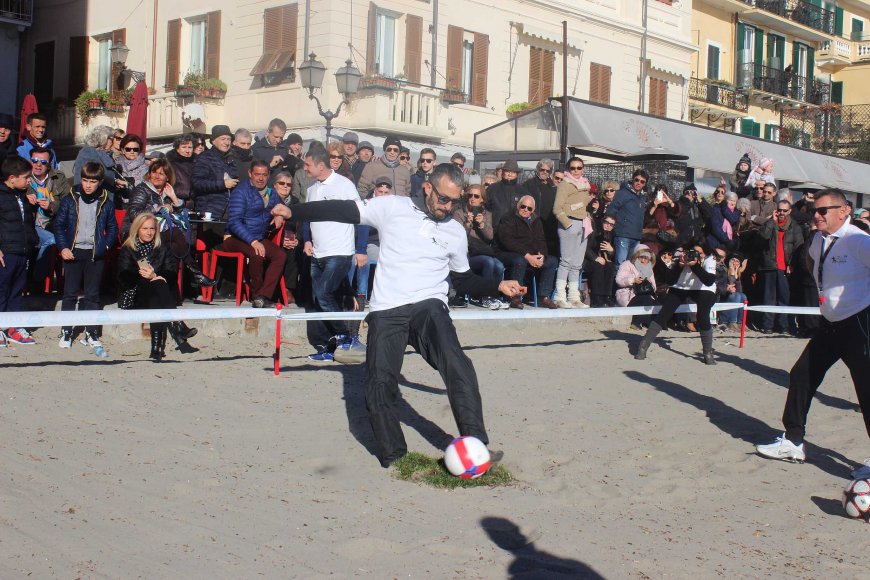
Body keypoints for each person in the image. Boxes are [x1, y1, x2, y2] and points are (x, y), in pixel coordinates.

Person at [271, 162, 524, 468]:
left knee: (458, 365)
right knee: (378, 383)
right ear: (427, 187)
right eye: (443, 199)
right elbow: (344, 211)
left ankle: (476, 445)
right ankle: (397, 458)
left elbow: (463, 278)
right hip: (387, 310)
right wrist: (294, 212)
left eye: (454, 202)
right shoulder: (392, 206)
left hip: (428, 306)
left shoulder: (455, 231)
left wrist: (498, 285)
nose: (447, 207)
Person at [755, 189, 870, 475]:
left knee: (866, 391)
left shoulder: (858, 240)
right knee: (801, 374)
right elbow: (812, 264)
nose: (815, 216)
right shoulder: (818, 239)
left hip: (858, 323)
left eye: (823, 211)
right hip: (830, 324)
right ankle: (793, 441)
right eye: (814, 210)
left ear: (844, 211)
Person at [301, 146, 367, 359]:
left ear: (321, 165)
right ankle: (326, 347)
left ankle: (347, 336)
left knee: (324, 294)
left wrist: (361, 249)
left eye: (308, 164)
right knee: (315, 300)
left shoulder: (344, 185)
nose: (305, 168)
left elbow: (362, 216)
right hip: (316, 254)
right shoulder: (312, 188)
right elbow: (307, 216)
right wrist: (307, 239)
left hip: (339, 252)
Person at [54, 161, 118, 352]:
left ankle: (91, 332)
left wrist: (105, 245)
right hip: (73, 252)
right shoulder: (70, 198)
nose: (88, 185)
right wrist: (63, 247)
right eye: (85, 180)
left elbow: (112, 227)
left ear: (100, 182)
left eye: (92, 181)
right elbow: (59, 225)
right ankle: (66, 331)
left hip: (94, 253)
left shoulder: (106, 200)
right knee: (70, 294)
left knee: (92, 295)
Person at [119, 212, 199, 361]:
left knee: (157, 292)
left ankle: (156, 350)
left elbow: (171, 273)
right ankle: (178, 325)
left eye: (152, 229)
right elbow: (124, 278)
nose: (149, 232)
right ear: (137, 229)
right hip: (135, 293)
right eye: (145, 229)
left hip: (158, 294)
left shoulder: (162, 247)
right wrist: (144, 275)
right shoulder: (128, 248)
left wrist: (155, 276)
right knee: (156, 286)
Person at [634, 243, 719, 365]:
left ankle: (707, 352)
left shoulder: (710, 258)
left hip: (703, 288)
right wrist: (679, 265)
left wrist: (695, 266)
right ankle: (644, 345)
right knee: (664, 313)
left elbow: (709, 281)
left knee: (703, 316)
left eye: (699, 253)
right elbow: (670, 280)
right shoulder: (679, 255)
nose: (695, 255)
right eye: (692, 252)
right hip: (681, 286)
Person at [224, 161, 286, 308]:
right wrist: (252, 241)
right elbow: (234, 222)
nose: (260, 178)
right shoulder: (241, 192)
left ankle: (264, 296)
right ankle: (257, 295)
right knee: (256, 253)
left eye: (264, 175)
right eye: (257, 174)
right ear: (250, 174)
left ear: (269, 175)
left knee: (280, 255)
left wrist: (280, 215)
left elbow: (282, 207)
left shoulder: (271, 193)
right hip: (234, 237)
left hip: (258, 236)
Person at [0, 156, 38, 346]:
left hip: (23, 249)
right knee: (2, 288)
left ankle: (14, 326)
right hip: (6, 250)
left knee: (17, 290)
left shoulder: (22, 195)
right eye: (26, 177)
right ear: (12, 177)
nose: (29, 180)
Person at [497, 195, 559, 309]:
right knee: (520, 260)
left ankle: (543, 297)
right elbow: (507, 241)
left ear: (533, 210)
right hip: (509, 252)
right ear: (518, 206)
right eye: (523, 206)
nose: (526, 210)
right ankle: (515, 297)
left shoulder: (536, 220)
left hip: (531, 254)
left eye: (529, 208)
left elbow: (541, 240)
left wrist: (542, 255)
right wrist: (527, 256)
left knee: (552, 261)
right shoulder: (508, 218)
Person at [756, 199, 805, 334]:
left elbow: (799, 247)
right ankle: (768, 326)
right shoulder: (770, 224)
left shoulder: (794, 227)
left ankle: (783, 326)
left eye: (784, 210)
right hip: (770, 265)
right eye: (779, 210)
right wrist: (772, 220)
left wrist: (793, 264)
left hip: (786, 267)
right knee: (769, 298)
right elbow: (762, 237)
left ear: (789, 211)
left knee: (784, 298)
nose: (781, 213)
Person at [552, 156, 591, 308]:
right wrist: (568, 224)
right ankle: (559, 296)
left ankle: (574, 297)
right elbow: (557, 208)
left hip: (583, 224)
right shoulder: (565, 184)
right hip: (569, 224)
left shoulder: (585, 184)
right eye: (573, 168)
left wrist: (585, 214)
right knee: (566, 261)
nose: (576, 171)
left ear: (583, 169)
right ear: (568, 169)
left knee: (577, 263)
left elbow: (580, 205)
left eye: (579, 168)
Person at [461, 184, 506, 309]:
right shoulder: (460, 213)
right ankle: (485, 297)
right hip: (468, 254)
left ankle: (495, 296)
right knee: (489, 263)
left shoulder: (487, 215)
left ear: (482, 199)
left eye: (476, 196)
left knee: (500, 266)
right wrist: (468, 224)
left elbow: (490, 236)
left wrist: (482, 224)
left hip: (483, 251)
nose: (472, 198)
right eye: (470, 195)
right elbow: (458, 238)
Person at [191, 125, 239, 220]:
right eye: (223, 139)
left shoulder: (231, 158)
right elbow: (197, 183)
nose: (227, 142)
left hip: (228, 212)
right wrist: (222, 184)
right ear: (213, 141)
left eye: (229, 139)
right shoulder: (204, 158)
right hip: (209, 212)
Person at [606, 169, 649, 271]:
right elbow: (613, 208)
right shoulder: (623, 193)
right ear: (633, 179)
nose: (639, 183)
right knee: (620, 264)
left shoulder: (643, 197)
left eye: (642, 181)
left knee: (631, 265)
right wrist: (612, 220)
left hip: (636, 236)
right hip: (623, 234)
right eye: (636, 180)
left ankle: (627, 286)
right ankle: (616, 287)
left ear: (645, 184)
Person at [73, 125, 123, 196]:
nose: (112, 142)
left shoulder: (100, 151)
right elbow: (93, 175)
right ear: (104, 138)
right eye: (111, 139)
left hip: (102, 196)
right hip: (92, 198)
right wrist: (115, 181)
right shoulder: (88, 152)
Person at [523, 158, 559, 257]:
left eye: (548, 170)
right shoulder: (529, 184)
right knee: (536, 251)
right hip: (535, 223)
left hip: (550, 224)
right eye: (542, 170)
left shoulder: (552, 185)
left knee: (550, 254)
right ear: (538, 169)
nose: (545, 172)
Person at [615, 244, 657, 328]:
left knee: (651, 299)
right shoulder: (627, 264)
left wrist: (646, 282)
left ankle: (647, 322)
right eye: (641, 257)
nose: (643, 260)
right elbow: (619, 280)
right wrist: (633, 280)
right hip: (628, 295)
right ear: (636, 256)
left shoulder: (649, 268)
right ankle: (637, 322)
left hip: (644, 294)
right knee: (646, 299)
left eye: (646, 258)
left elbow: (654, 287)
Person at [584, 215, 616, 307]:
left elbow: (613, 255)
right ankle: (596, 297)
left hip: (603, 260)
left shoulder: (612, 235)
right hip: (587, 259)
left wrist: (611, 250)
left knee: (610, 266)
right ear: (602, 221)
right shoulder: (594, 231)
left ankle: (607, 296)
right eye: (607, 222)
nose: (608, 226)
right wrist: (595, 258)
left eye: (611, 224)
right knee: (598, 266)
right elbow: (585, 247)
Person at [486, 159, 526, 232]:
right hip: (496, 231)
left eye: (513, 172)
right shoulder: (492, 189)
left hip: (516, 231)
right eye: (507, 171)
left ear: (517, 174)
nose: (510, 174)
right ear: (503, 172)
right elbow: (486, 209)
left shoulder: (522, 191)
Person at [717, 254, 747, 331]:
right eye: (732, 260)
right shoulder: (725, 270)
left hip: (732, 295)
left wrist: (737, 274)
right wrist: (732, 273)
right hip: (723, 295)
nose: (734, 262)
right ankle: (732, 322)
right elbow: (729, 284)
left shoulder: (738, 273)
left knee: (743, 296)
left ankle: (740, 323)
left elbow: (739, 290)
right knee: (736, 296)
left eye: (737, 261)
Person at [166, 134, 196, 206]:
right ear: (177, 149)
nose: (187, 150)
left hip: (197, 203)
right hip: (176, 202)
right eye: (184, 147)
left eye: (190, 147)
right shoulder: (170, 164)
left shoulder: (198, 162)